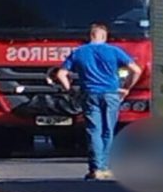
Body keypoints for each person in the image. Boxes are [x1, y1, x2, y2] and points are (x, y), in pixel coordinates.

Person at [56, 22, 142, 180]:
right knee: (108, 130)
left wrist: (70, 90)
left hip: (89, 94)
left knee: (94, 130)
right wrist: (126, 87)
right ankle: (105, 167)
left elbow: (61, 74)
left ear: (90, 35)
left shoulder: (78, 52)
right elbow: (136, 70)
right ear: (105, 36)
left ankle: (95, 168)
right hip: (111, 94)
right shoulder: (114, 51)